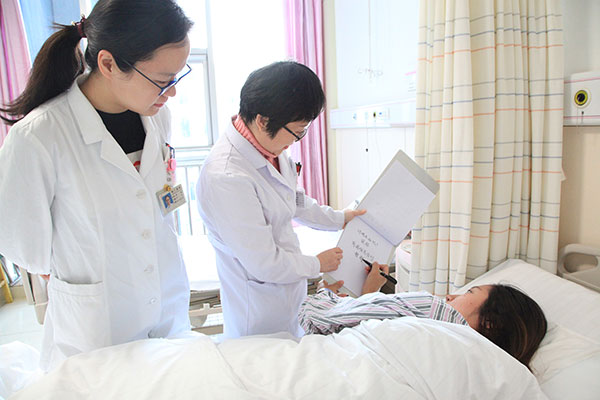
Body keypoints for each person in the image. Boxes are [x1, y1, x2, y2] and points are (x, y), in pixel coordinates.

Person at [0, 0, 193, 370]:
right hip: (95, 331)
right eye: (162, 80)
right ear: (108, 64)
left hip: (167, 310)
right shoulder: (39, 136)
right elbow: (24, 246)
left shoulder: (158, 118)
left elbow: (159, 201)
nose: (171, 93)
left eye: (177, 77)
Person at [197, 61, 365, 338]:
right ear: (263, 120)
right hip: (257, 313)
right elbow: (264, 263)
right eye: (297, 131)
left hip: (289, 296)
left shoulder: (269, 148)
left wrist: (340, 219)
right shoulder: (226, 177)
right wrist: (317, 264)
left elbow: (295, 202)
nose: (297, 140)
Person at [300, 262, 547, 368]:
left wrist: (324, 293)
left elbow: (322, 319)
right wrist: (369, 295)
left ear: (490, 322)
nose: (450, 296)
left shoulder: (433, 308)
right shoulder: (487, 367)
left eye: (470, 292)